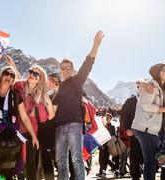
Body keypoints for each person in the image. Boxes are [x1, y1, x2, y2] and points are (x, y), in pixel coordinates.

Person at [52, 31, 104, 180]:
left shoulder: (77, 80)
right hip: (59, 127)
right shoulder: (58, 88)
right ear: (60, 70)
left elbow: (88, 65)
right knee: (61, 161)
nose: (66, 70)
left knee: (77, 160)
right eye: (63, 68)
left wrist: (95, 46)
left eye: (69, 68)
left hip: (75, 125)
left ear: (73, 69)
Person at [132, 63, 165, 180]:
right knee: (151, 161)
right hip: (145, 129)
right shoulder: (151, 85)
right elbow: (146, 106)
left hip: (158, 130)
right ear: (158, 73)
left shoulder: (162, 89)